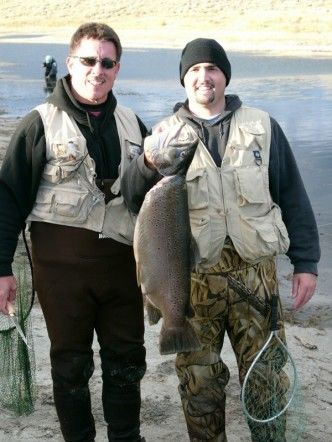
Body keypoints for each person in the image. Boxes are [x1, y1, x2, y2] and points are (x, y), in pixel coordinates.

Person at [121, 38, 320, 441]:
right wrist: (146, 162)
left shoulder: (262, 126)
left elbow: (293, 196)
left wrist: (307, 262)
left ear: (225, 75)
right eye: (194, 70)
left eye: (211, 68)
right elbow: (130, 195)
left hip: (256, 279)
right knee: (200, 386)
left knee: (265, 377)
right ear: (183, 80)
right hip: (191, 283)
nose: (203, 77)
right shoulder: (162, 134)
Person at [0, 22, 148, 442]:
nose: (97, 70)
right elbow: (8, 199)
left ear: (117, 69)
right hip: (62, 278)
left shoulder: (135, 123)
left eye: (107, 62)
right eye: (88, 60)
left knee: (127, 361)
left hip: (122, 272)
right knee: (69, 364)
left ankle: (126, 436)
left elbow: (156, 199)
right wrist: (1, 270)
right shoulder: (38, 124)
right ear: (70, 63)